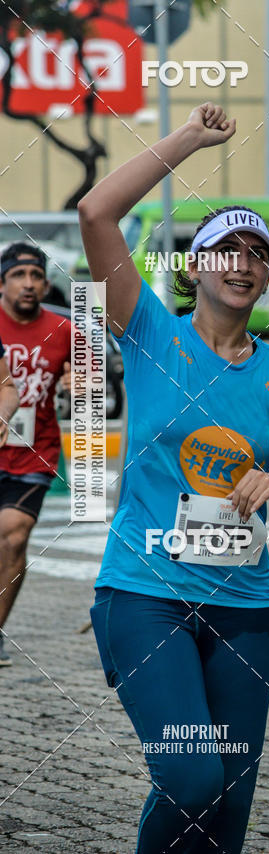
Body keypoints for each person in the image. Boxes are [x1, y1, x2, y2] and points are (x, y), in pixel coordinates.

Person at [79, 102, 269, 854]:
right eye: (224, 248)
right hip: (144, 595)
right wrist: (191, 141)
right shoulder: (146, 331)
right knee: (191, 777)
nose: (243, 261)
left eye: (257, 253)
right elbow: (96, 209)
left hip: (245, 610)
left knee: (228, 804)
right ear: (194, 266)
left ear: (266, 277)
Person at [0, 243, 72, 667]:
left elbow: (92, 393)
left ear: (46, 284)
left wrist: (77, 387)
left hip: (33, 452)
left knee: (13, 535)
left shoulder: (65, 331)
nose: (29, 284)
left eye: (36, 276)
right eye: (18, 275)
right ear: (3, 282)